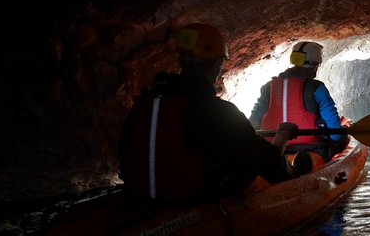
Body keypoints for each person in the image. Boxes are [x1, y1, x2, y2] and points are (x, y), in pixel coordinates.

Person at [118, 22, 304, 202]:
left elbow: (123, 148)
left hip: (141, 193)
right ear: (216, 64)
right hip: (190, 197)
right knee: (249, 159)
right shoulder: (217, 111)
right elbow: (269, 163)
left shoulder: (146, 102)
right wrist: (282, 136)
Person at [249, 41, 348, 162]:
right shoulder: (317, 88)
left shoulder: (268, 88)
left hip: (274, 148)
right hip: (312, 149)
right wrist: (340, 138)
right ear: (314, 65)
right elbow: (335, 131)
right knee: (341, 137)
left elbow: (253, 123)